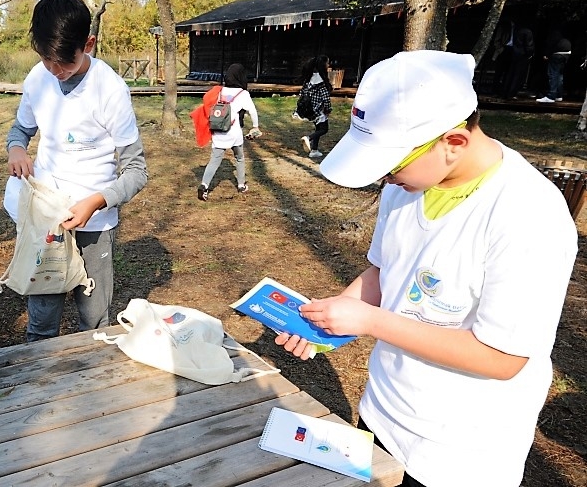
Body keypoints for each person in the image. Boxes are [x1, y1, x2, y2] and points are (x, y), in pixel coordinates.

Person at [275, 50, 577, 486]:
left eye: (392, 166)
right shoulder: (406, 187)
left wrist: (369, 321)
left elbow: (503, 357)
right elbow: (386, 271)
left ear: (453, 143)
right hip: (384, 411)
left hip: (458, 450)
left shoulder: (529, 215)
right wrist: (327, 318)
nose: (384, 179)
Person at [4, 0, 148, 342]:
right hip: (47, 215)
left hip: (94, 222)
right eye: (46, 60)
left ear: (89, 44)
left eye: (64, 64)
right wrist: (16, 149)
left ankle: (92, 375)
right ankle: (39, 369)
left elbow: (136, 170)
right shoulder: (37, 79)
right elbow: (21, 129)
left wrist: (96, 202)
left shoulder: (110, 89)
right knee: (41, 320)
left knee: (94, 320)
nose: (55, 72)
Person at [197, 63, 260, 201]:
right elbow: (253, 111)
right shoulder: (243, 94)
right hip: (234, 132)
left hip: (218, 130)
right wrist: (255, 127)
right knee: (239, 158)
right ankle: (241, 185)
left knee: (214, 160)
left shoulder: (220, 91)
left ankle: (204, 185)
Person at [297, 55, 333, 159]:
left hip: (310, 109)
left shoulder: (309, 78)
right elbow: (326, 98)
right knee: (324, 129)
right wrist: (328, 109)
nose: (328, 65)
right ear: (323, 65)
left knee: (318, 128)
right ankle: (308, 138)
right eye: (327, 63)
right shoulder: (321, 81)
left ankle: (314, 150)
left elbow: (302, 92)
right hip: (319, 110)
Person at [500, 20, 535, 99]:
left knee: (511, 73)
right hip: (522, 54)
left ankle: (506, 92)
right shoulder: (527, 31)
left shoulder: (516, 29)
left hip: (515, 52)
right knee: (518, 74)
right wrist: (530, 54)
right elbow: (529, 45)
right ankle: (511, 93)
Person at [536, 30, 571, 103]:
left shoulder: (554, 33)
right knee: (559, 75)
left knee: (553, 74)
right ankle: (558, 95)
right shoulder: (563, 34)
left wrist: (547, 54)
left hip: (558, 53)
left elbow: (552, 43)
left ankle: (551, 96)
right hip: (566, 52)